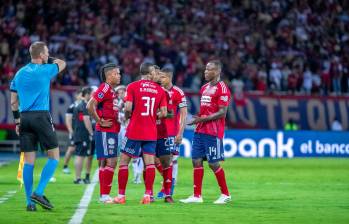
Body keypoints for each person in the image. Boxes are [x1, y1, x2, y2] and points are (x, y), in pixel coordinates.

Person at [10, 41, 66, 211]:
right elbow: (62, 63)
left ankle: (29, 203)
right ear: (42, 55)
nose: (48, 55)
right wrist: (47, 59)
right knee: (54, 156)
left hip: (24, 118)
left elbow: (13, 102)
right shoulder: (45, 70)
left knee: (29, 161)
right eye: (46, 52)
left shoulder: (18, 74)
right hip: (41, 116)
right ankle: (39, 192)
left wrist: (17, 121)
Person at [114, 62, 167, 204]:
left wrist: (127, 116)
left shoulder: (132, 86)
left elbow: (128, 107)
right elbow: (164, 113)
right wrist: (152, 116)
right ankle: (148, 195)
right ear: (149, 73)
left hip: (134, 130)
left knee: (124, 162)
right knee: (149, 164)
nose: (157, 74)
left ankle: (121, 196)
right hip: (151, 131)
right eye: (155, 72)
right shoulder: (160, 90)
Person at [180, 60, 231, 204]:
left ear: (217, 72)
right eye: (205, 69)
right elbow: (206, 109)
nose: (205, 72)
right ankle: (197, 196)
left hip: (213, 131)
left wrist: (202, 119)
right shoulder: (204, 88)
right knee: (196, 161)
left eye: (209, 70)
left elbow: (222, 113)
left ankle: (225, 194)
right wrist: (199, 119)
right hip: (200, 129)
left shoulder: (223, 88)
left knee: (213, 163)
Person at [87, 63, 121, 203]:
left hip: (111, 130)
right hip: (106, 130)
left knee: (107, 162)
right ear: (109, 75)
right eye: (117, 73)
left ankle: (104, 195)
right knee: (111, 161)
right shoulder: (105, 87)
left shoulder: (111, 90)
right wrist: (99, 121)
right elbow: (90, 105)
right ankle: (104, 195)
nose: (119, 76)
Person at [156, 67, 187, 199]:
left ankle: (168, 187)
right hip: (158, 131)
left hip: (172, 132)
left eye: (162, 77)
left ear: (169, 78)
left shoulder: (178, 92)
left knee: (172, 159)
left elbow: (184, 114)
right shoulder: (157, 90)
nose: (160, 79)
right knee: (155, 159)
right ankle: (167, 182)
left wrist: (180, 133)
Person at [72, 87, 94, 184]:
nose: (93, 96)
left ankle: (78, 177)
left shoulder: (79, 105)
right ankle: (77, 178)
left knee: (80, 155)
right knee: (80, 156)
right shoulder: (84, 105)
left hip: (78, 133)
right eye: (92, 94)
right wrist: (91, 133)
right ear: (87, 95)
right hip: (82, 134)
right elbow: (86, 120)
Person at [62, 88, 83, 174]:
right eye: (81, 95)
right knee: (71, 149)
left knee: (80, 149)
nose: (82, 97)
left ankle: (79, 169)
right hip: (75, 131)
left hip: (81, 131)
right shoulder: (72, 107)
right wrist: (71, 131)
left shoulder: (84, 105)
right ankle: (65, 166)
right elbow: (68, 120)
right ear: (76, 96)